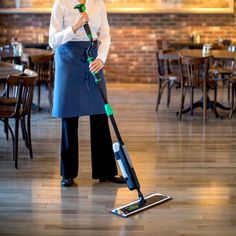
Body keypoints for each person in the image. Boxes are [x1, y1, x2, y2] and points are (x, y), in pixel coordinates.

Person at [49, 0, 125, 187]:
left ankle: (105, 172)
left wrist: (101, 58)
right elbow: (52, 41)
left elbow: (105, 36)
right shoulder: (61, 3)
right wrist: (74, 27)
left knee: (100, 115)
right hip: (68, 60)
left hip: (93, 60)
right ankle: (68, 173)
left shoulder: (98, 3)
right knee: (69, 116)